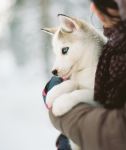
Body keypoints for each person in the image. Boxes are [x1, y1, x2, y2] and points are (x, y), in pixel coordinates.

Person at [44, 0, 126, 149]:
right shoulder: (112, 50)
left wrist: (69, 104)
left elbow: (117, 128)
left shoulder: (111, 55)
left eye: (64, 51)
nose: (92, 7)